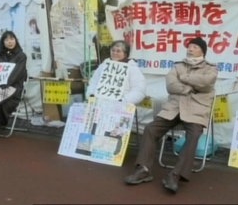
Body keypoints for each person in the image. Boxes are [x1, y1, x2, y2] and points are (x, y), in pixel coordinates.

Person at [124, 37, 218, 194]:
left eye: (194, 47)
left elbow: (207, 82)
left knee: (194, 135)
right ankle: (143, 169)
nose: (190, 49)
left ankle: (175, 175)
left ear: (202, 50)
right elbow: (170, 85)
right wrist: (189, 88)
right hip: (173, 108)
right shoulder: (178, 66)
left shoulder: (210, 68)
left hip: (196, 110)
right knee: (150, 129)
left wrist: (184, 78)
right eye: (189, 46)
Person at [86, 40, 146, 105]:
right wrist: (91, 95)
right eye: (113, 50)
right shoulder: (103, 66)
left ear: (125, 54)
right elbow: (93, 83)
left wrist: (123, 100)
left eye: (118, 51)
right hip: (100, 106)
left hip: (122, 108)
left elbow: (139, 90)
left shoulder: (132, 68)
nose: (115, 53)